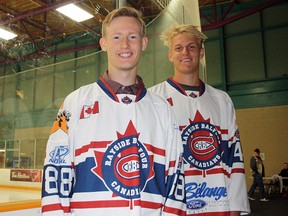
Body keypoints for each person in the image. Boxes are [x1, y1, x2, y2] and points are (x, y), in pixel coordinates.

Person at [41, 7, 184, 216]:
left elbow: (175, 179)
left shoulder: (163, 109)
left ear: (144, 43)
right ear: (103, 43)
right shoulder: (73, 104)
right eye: (116, 37)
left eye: (132, 36)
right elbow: (55, 174)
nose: (125, 44)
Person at [149, 23, 250, 215]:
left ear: (201, 52)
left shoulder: (222, 100)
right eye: (178, 48)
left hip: (218, 206)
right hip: (171, 207)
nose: (185, 52)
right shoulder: (153, 99)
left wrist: (235, 208)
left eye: (191, 46)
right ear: (170, 55)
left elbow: (234, 157)